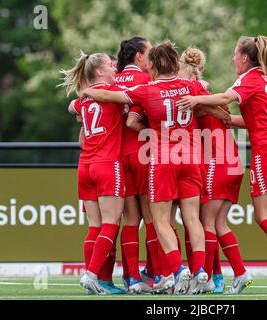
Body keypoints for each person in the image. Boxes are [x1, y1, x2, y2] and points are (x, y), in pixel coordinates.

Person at [178, 36, 267, 294]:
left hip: (265, 151)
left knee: (262, 217)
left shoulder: (249, 78)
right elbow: (254, 120)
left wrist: (197, 100)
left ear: (244, 57)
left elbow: (225, 97)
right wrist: (228, 119)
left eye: (234, 54)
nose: (232, 59)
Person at [82, 41, 213, 294]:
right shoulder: (191, 86)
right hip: (188, 156)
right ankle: (198, 272)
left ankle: (170, 271)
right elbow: (216, 101)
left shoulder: (145, 88)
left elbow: (109, 98)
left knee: (153, 219)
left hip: (153, 158)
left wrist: (86, 93)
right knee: (191, 219)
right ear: (177, 64)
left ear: (152, 63)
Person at [179, 47, 251, 294]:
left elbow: (206, 109)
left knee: (205, 223)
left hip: (217, 164)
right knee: (219, 223)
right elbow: (217, 110)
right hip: (234, 163)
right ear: (201, 69)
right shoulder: (205, 94)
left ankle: (207, 278)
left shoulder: (193, 95)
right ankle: (236, 274)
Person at [59, 51, 126, 295]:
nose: (115, 67)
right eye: (110, 64)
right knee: (111, 223)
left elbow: (71, 106)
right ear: (99, 72)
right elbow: (133, 95)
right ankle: (92, 275)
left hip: (85, 166)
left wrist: (83, 97)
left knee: (94, 225)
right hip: (107, 164)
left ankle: (91, 277)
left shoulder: (83, 100)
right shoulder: (113, 93)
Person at [113, 36, 154, 294]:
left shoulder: (112, 82)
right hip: (144, 153)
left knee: (130, 219)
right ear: (138, 56)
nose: (152, 58)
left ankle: (131, 278)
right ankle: (159, 275)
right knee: (153, 218)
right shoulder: (147, 81)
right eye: (149, 52)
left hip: (119, 156)